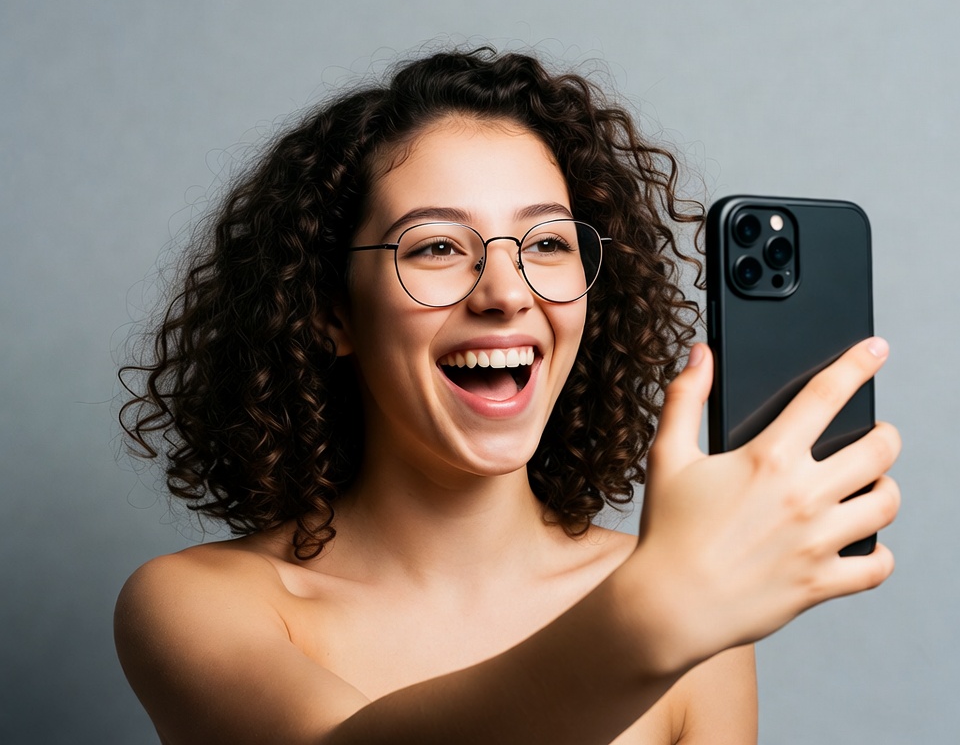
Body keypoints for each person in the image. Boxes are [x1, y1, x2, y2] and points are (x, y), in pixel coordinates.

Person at [115, 47, 900, 745]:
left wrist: (679, 601)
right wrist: (655, 614)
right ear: (330, 310)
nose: (506, 292)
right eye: (436, 247)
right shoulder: (195, 606)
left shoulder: (701, 610)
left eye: (547, 243)